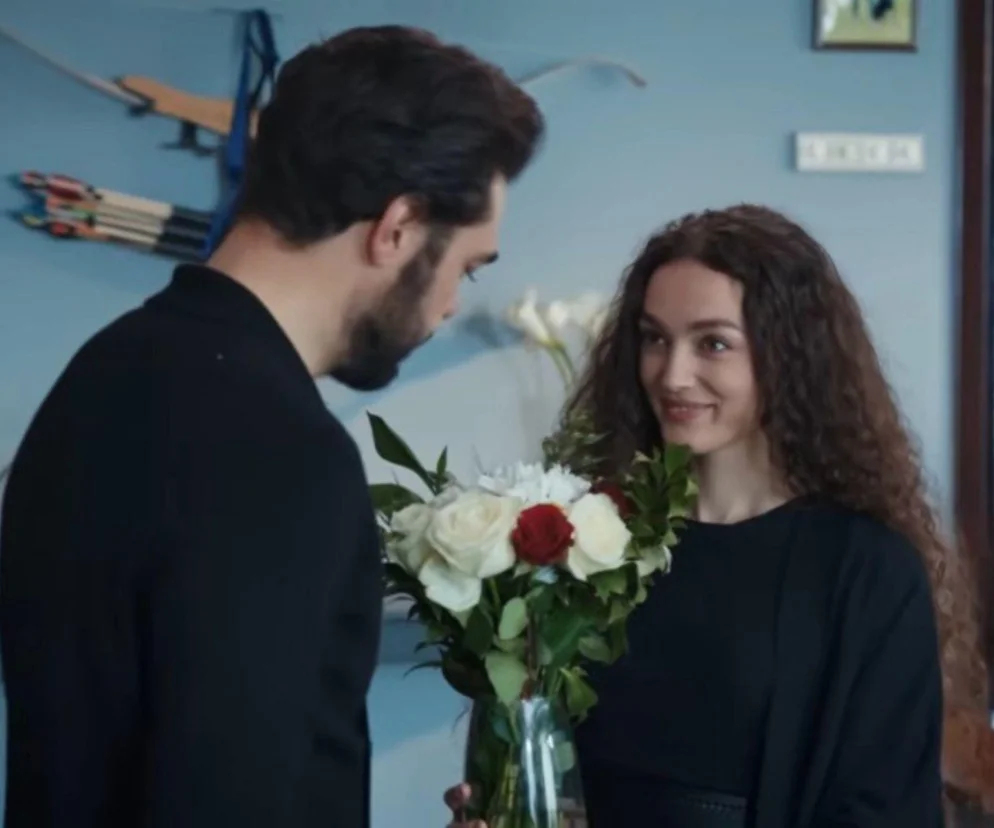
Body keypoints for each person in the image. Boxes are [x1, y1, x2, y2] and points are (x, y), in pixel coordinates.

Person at [0, 25, 544, 828]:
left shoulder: (101, 375)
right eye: (466, 265)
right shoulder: (283, 452)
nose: (451, 304)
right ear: (398, 226)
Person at [446, 204, 947, 828]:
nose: (672, 374)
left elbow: (889, 809)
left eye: (713, 343)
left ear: (788, 355)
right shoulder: (586, 539)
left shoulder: (867, 569)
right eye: (655, 338)